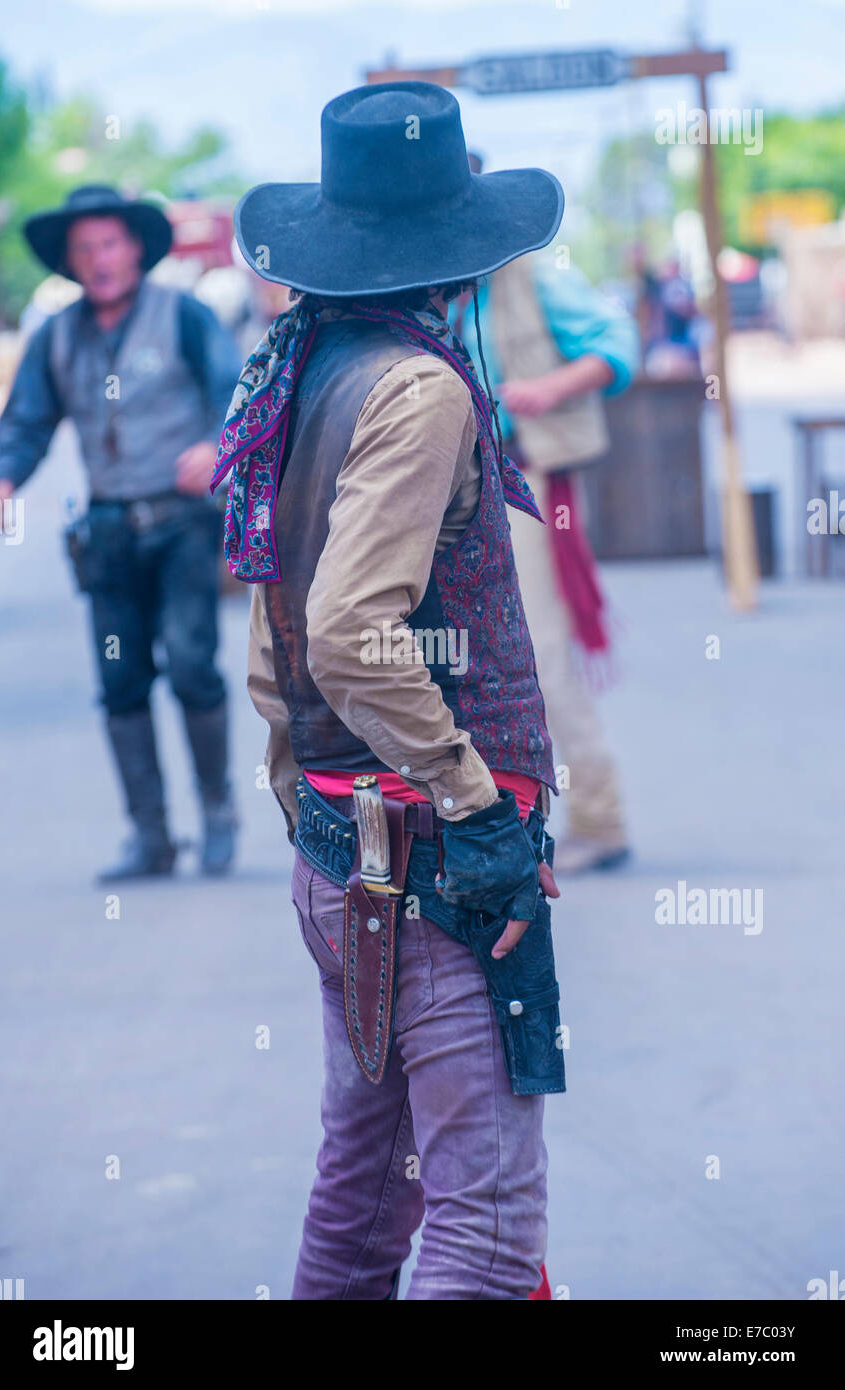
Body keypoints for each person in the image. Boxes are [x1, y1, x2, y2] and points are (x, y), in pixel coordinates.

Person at [224, 81, 570, 1299]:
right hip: (422, 856)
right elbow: (347, 633)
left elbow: (280, 653)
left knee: (366, 1204)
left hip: (351, 846)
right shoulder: (416, 388)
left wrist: (319, 815)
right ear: (452, 255)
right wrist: (472, 807)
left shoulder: (305, 363)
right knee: (478, 1233)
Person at [0, 185, 242, 879]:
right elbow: (28, 421)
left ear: (134, 249)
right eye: (84, 248)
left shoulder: (185, 316)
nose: (98, 259)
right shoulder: (56, 336)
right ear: (69, 261)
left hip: (184, 523)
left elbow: (237, 393)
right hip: (106, 534)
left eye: (109, 243)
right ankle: (151, 836)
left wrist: (220, 444)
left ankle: (218, 812)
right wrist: (4, 477)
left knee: (191, 663)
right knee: (120, 680)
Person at [455, 209, 640, 875]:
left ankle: (599, 816)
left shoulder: (530, 271)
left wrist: (546, 388)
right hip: (456, 489)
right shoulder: (425, 285)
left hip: (526, 478)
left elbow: (616, 340)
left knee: (541, 652)